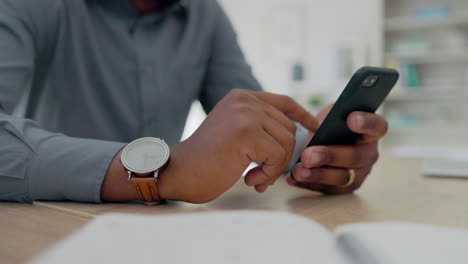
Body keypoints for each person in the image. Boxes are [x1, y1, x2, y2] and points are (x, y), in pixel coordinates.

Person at [0, 0, 387, 204]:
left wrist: (321, 155)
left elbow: (251, 123)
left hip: (168, 234)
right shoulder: (31, 5)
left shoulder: (206, 14)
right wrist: (167, 172)